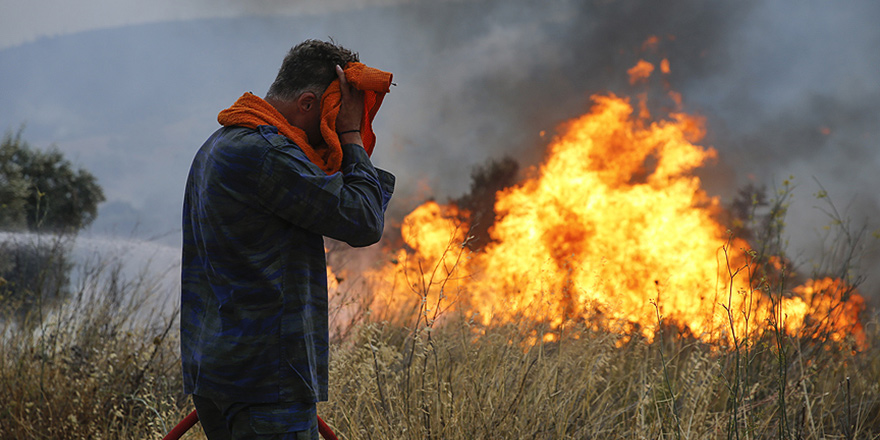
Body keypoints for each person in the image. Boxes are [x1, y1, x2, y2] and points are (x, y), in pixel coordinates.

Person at [180, 39, 395, 440]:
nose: (333, 128)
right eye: (335, 113)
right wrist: (350, 135)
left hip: (222, 376)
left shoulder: (220, 143)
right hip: (267, 385)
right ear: (308, 103)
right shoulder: (268, 155)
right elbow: (364, 219)